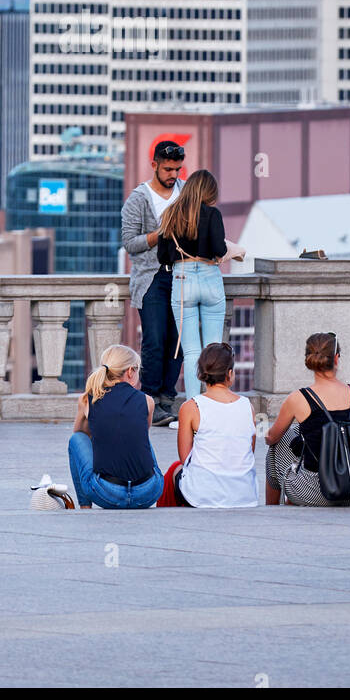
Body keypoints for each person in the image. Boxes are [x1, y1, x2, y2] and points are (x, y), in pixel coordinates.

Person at [156, 169, 244, 402]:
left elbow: (163, 257)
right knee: (213, 347)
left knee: (191, 350)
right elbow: (219, 249)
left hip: (182, 279)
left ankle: (194, 406)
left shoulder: (171, 214)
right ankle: (214, 402)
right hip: (209, 278)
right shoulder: (212, 214)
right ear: (209, 192)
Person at [121, 140, 186, 426]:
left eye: (177, 169)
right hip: (152, 278)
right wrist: (160, 234)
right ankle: (149, 400)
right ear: (154, 165)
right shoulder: (138, 198)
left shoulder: (185, 193)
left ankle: (167, 400)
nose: (173, 174)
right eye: (168, 169)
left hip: (183, 275)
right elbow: (129, 243)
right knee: (155, 341)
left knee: (178, 343)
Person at [264, 332, 350, 506]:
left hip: (318, 491)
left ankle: (272, 508)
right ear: (336, 358)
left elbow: (271, 438)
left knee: (277, 444)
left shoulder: (299, 398)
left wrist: (266, 432)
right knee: (298, 431)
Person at [68, 345, 164, 509]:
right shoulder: (147, 401)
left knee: (76, 440)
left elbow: (80, 433)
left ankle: (85, 506)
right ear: (130, 371)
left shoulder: (87, 400)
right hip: (147, 493)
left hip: (106, 494)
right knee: (141, 438)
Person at [172, 343, 260, 508]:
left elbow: (185, 458)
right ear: (230, 373)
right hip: (245, 495)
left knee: (174, 470)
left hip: (202, 496)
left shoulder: (191, 406)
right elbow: (249, 451)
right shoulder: (248, 406)